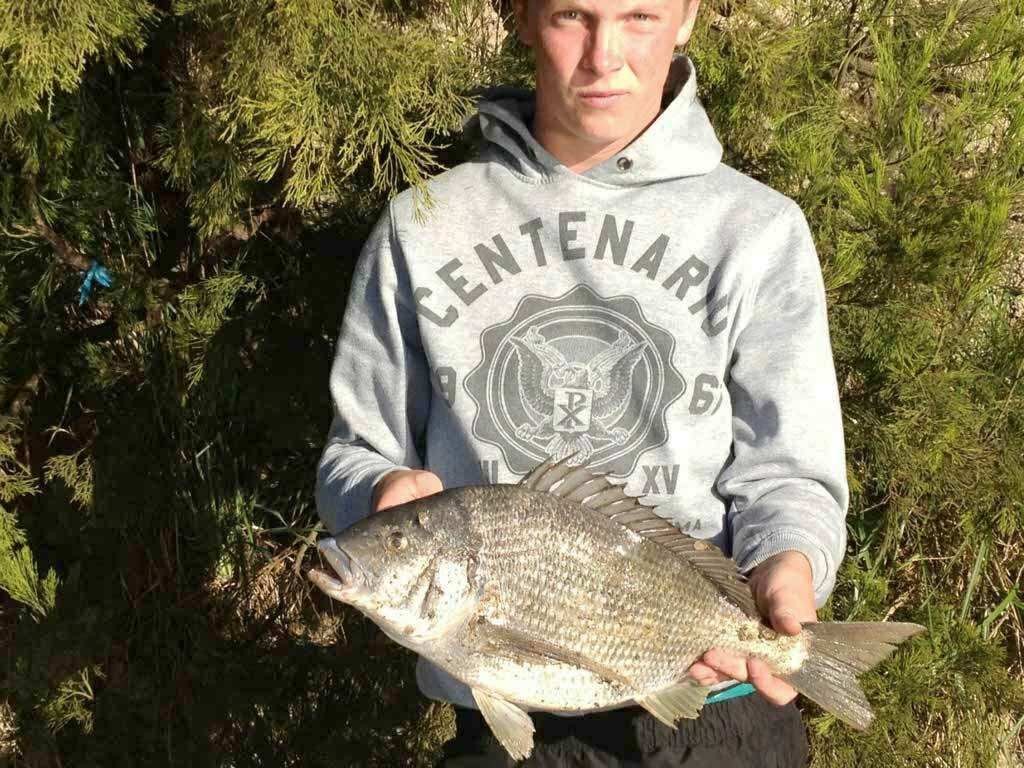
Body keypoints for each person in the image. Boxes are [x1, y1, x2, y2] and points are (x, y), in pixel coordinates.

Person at [315, 0, 849, 763]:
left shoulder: (760, 230)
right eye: (573, 16)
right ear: (523, 17)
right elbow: (355, 450)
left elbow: (789, 474)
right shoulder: (420, 224)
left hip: (719, 712)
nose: (604, 57)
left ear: (688, 16)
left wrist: (787, 572)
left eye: (639, 17)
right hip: (504, 727)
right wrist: (379, 499)